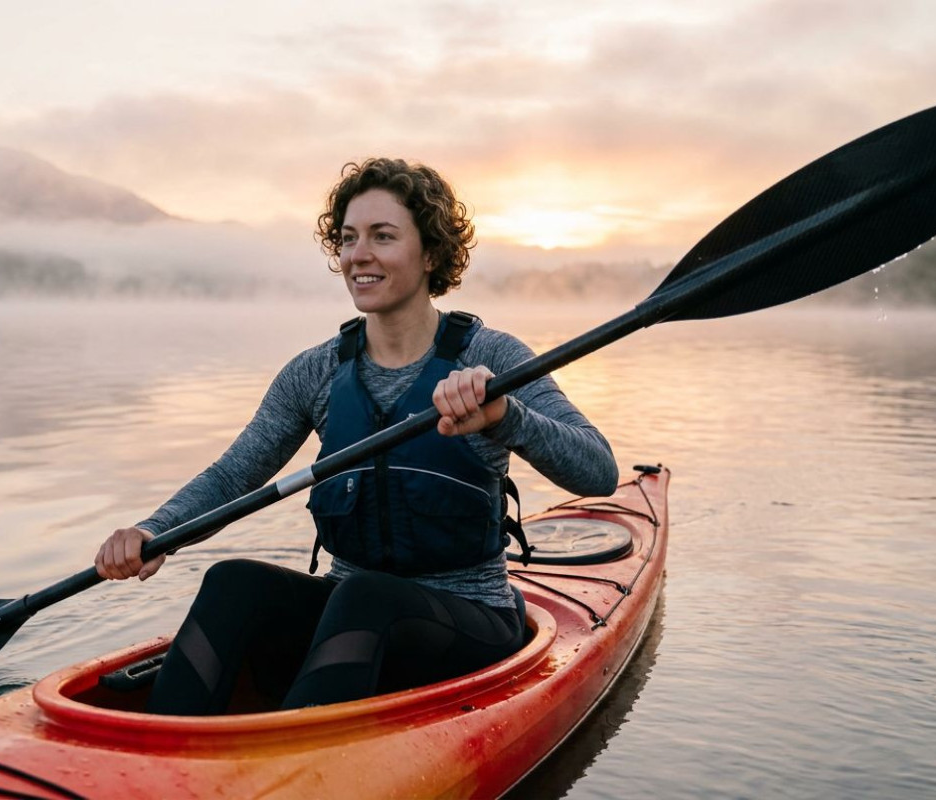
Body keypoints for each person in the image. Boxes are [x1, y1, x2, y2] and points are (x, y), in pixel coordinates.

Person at [95, 158, 617, 715]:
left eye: (383, 236)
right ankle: (161, 751)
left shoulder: (491, 358)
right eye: (347, 239)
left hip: (471, 622)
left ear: (432, 254)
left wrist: (506, 415)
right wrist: (156, 531)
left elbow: (598, 471)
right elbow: (235, 473)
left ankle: (292, 759)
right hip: (351, 617)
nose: (357, 255)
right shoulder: (315, 371)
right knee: (233, 582)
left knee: (369, 598)